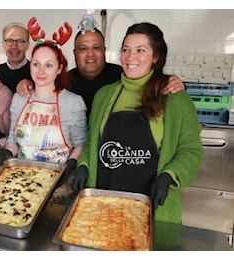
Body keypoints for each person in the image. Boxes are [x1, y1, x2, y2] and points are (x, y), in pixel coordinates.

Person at [70, 22, 203, 224]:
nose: (131, 57)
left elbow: (191, 150)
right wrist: (84, 164)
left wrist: (169, 176)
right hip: (103, 208)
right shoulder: (104, 95)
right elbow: (91, 142)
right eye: (126, 50)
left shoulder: (175, 98)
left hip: (153, 212)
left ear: (156, 57)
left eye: (140, 50)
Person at [0, 17, 88, 203]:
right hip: (21, 186)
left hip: (59, 190)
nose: (41, 71)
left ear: (59, 68)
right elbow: (13, 139)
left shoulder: (73, 103)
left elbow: (80, 144)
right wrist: (6, 153)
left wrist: (71, 164)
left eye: (49, 65)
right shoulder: (20, 98)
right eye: (36, 64)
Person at [17, 27, 186, 120]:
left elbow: (149, 81)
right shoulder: (63, 81)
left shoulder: (124, 76)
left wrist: (174, 83)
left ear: (104, 51)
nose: (90, 54)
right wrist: (28, 84)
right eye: (83, 49)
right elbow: (42, 89)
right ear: (74, 53)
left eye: (96, 48)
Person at [0, 22, 32, 94]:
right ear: (3, 44)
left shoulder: (38, 73)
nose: (14, 46)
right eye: (9, 41)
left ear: (27, 45)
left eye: (20, 41)